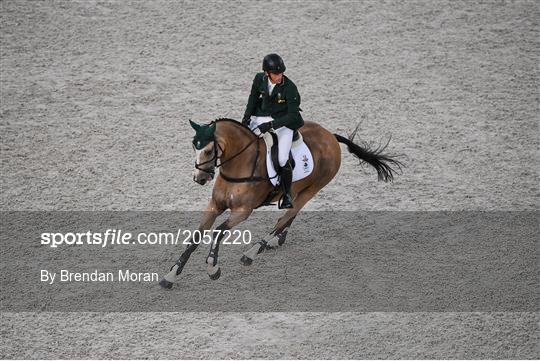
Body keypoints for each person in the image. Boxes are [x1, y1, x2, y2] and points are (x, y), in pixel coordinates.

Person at [241, 53, 304, 209]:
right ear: (267, 73)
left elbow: (292, 115)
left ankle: (287, 195)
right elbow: (253, 98)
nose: (279, 76)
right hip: (261, 117)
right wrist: (246, 117)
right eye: (276, 74)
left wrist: (271, 125)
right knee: (244, 142)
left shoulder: (290, 88)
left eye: (281, 73)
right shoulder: (259, 79)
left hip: (284, 123)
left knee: (282, 158)